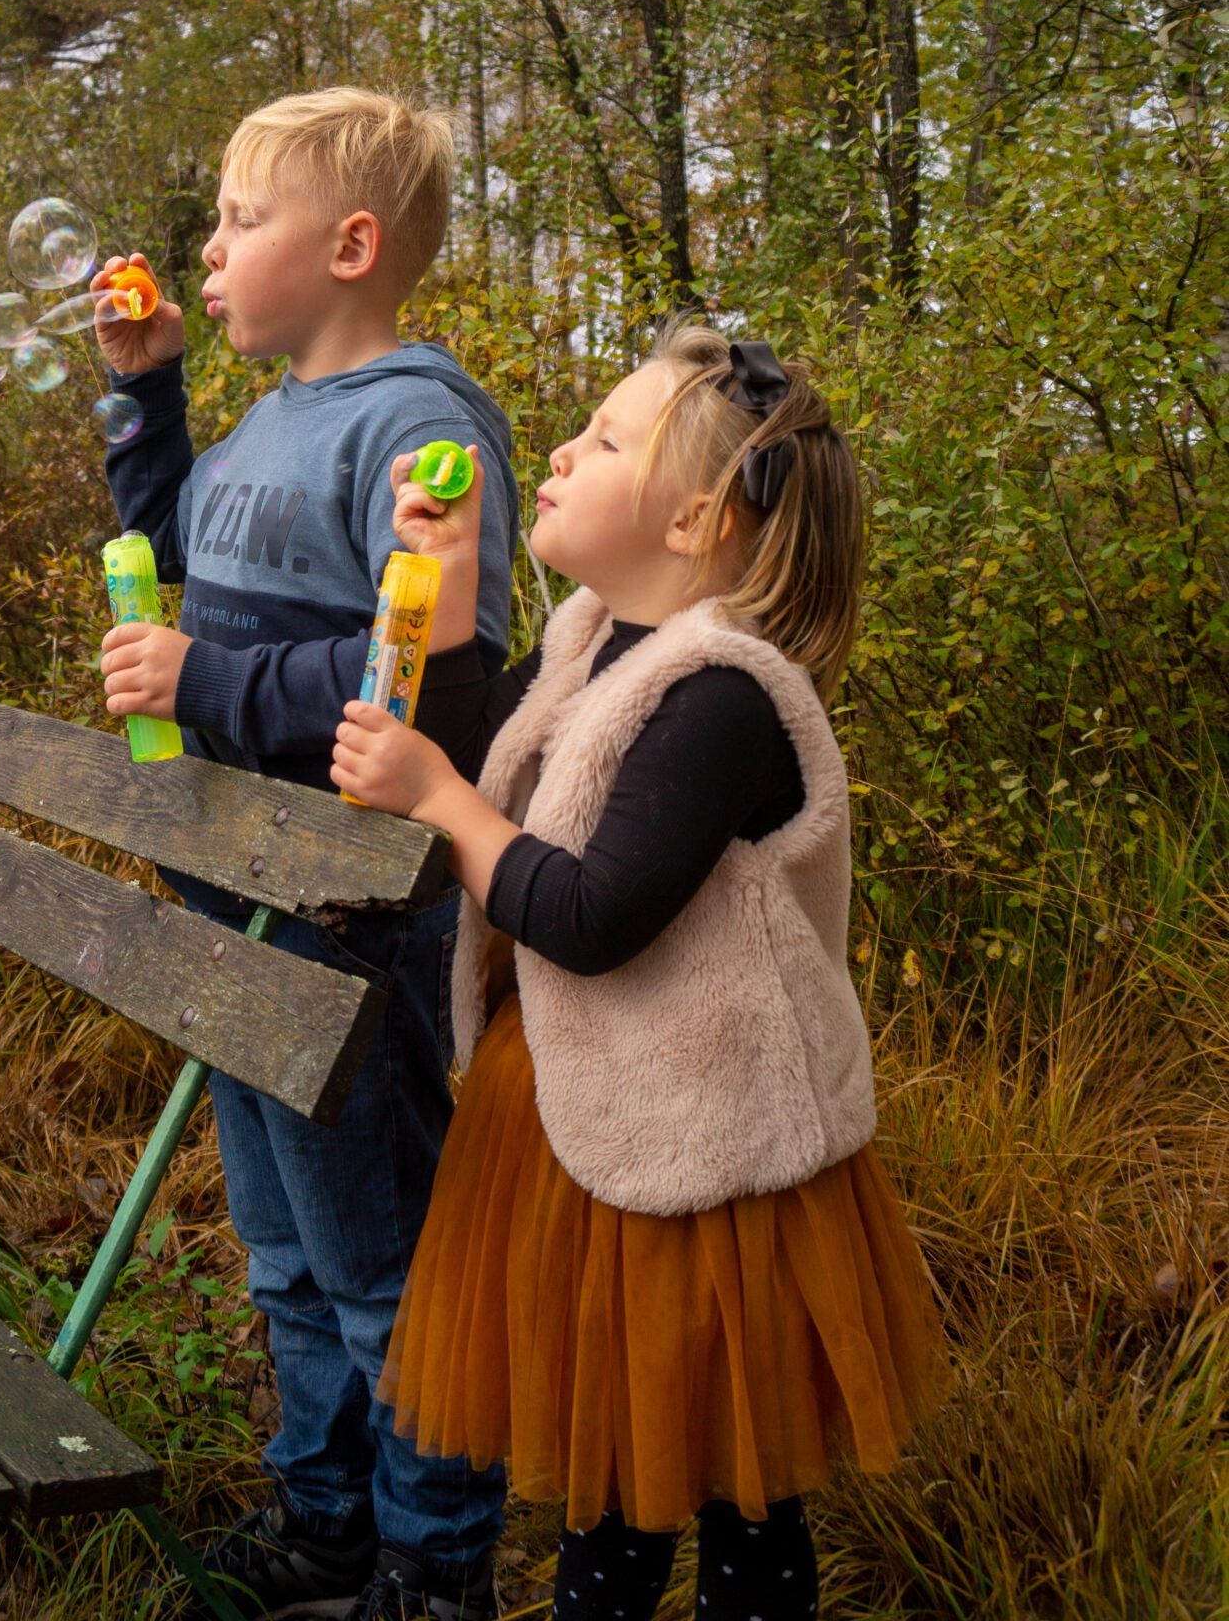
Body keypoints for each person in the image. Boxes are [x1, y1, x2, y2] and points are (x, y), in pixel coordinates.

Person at [331, 322, 950, 1621]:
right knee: (614, 1482)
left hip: (716, 1166)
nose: (560, 448)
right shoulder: (582, 643)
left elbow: (587, 908)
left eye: (605, 438)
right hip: (580, 1125)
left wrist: (440, 799)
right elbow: (462, 756)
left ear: (697, 521)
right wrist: (439, 585)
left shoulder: (724, 693)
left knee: (734, 1493)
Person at [91, 88, 520, 1621]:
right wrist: (149, 400)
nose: (206, 250)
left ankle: (432, 1566)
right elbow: (173, 568)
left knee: (378, 1255)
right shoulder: (266, 421)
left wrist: (201, 686)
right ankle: (328, 1529)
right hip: (232, 887)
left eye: (237, 220)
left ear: (349, 245)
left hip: (349, 908)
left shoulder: (419, 421)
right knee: (282, 1255)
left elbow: (434, 684)